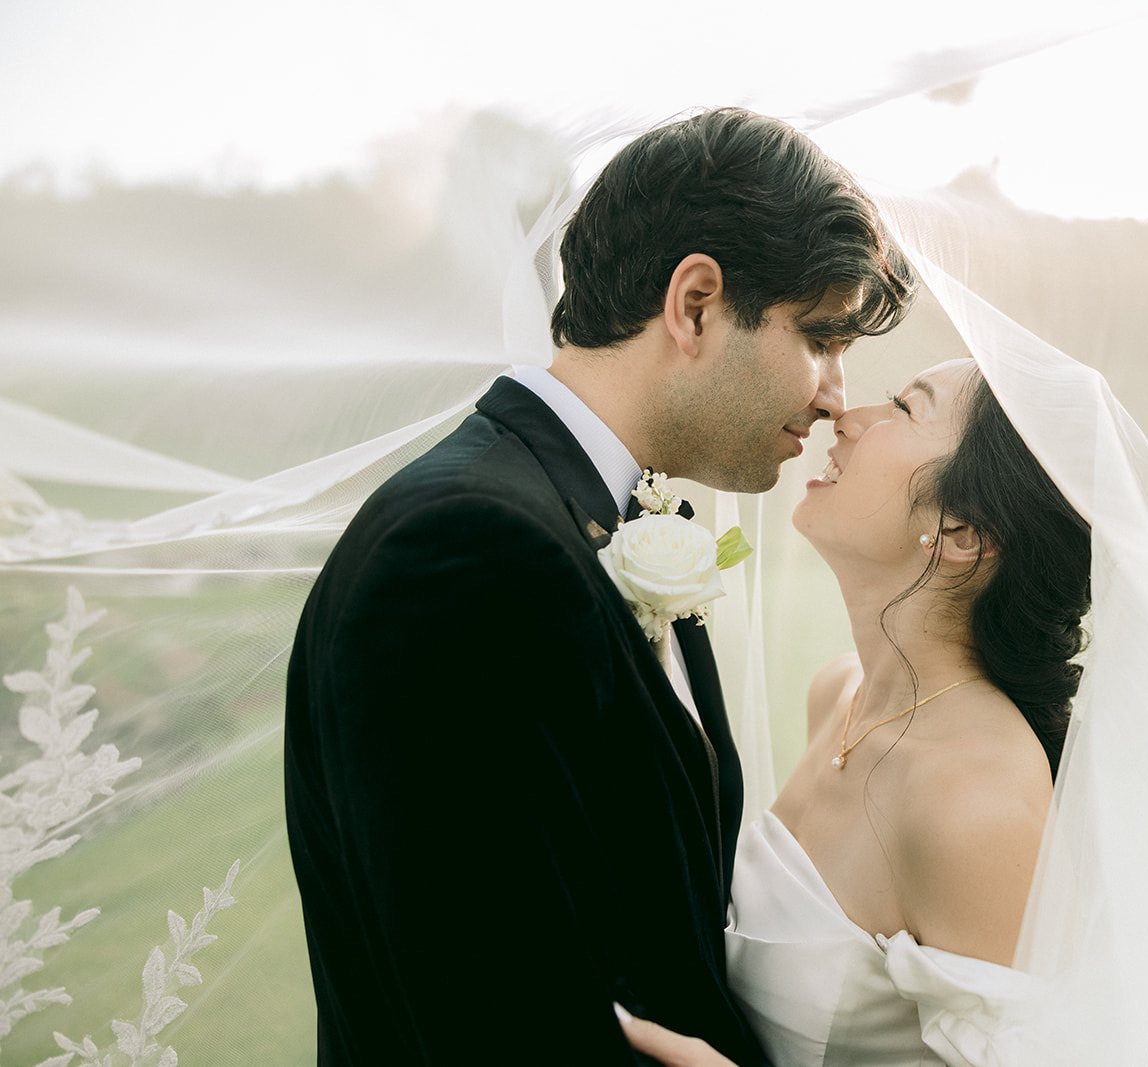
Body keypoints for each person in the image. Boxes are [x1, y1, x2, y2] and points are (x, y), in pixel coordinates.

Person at [282, 107, 914, 1065]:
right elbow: (489, 1015)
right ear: (695, 304)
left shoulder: (609, 517)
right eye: (820, 337)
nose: (834, 395)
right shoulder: (464, 552)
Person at [620, 241, 1148, 1063]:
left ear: (961, 533)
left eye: (904, 410)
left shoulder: (977, 804)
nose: (846, 416)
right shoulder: (838, 695)